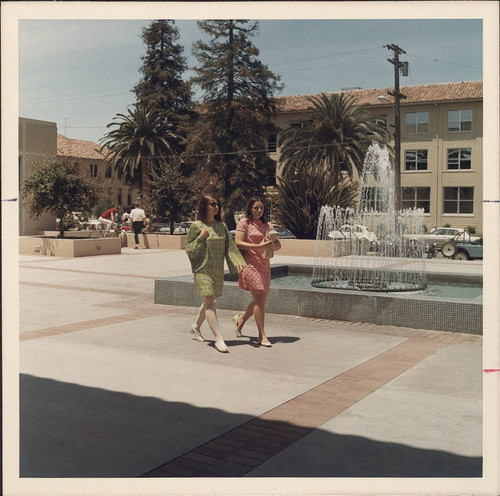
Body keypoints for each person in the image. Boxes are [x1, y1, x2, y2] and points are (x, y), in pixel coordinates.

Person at [185, 194, 246, 353]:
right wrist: (200, 238)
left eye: (217, 204)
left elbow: (230, 247)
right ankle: (218, 339)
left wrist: (238, 261)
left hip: (217, 270)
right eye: (212, 204)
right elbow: (189, 249)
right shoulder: (196, 226)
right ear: (204, 206)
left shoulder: (222, 226)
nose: (216, 207)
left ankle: (196, 326)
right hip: (203, 269)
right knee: (211, 302)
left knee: (210, 302)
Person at [233, 197, 281, 347]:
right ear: (250, 209)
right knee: (260, 299)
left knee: (260, 300)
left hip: (264, 265)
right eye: (256, 208)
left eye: (261, 208)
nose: (259, 211)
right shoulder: (244, 223)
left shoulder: (267, 225)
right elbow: (238, 242)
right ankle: (262, 335)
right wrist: (258, 246)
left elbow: (278, 246)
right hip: (249, 264)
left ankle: (241, 319)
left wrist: (271, 244)